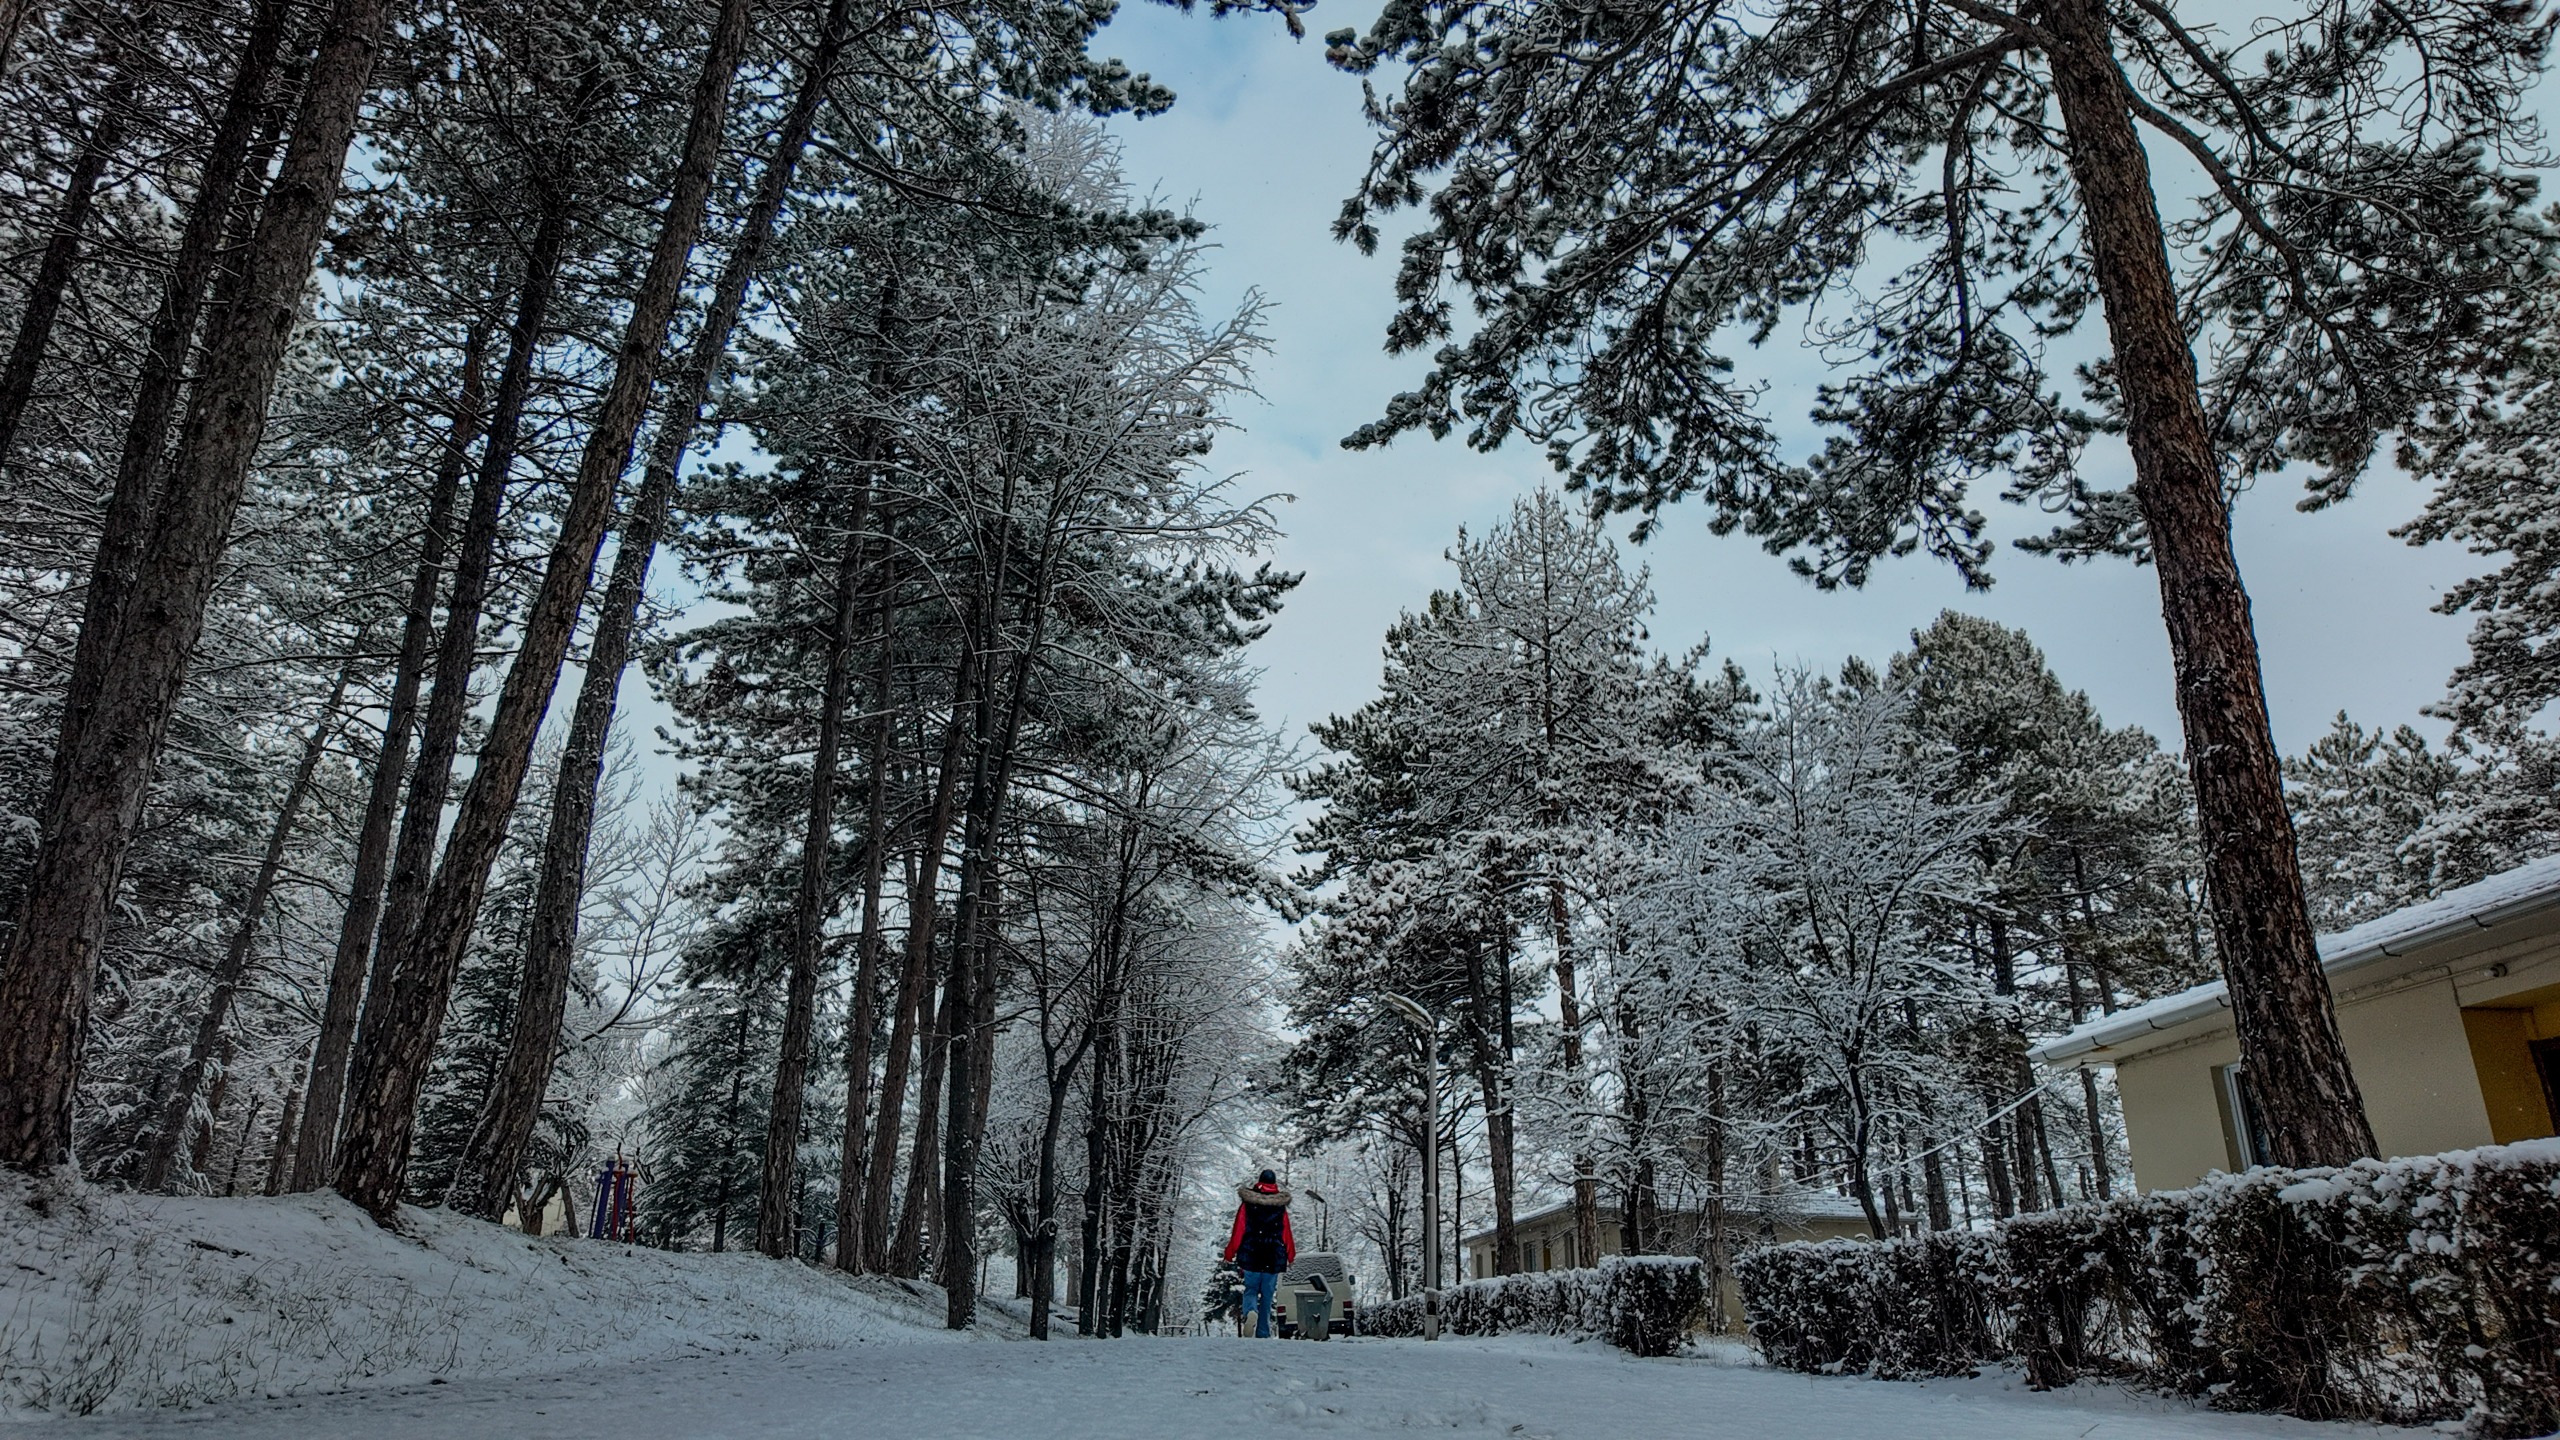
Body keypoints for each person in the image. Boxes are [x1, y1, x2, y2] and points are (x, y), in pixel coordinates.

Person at [1221, 1169, 1295, 1338]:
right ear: (1274, 1184)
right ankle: (1263, 1332)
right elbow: (1286, 1234)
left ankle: (1251, 1311)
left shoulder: (1248, 1204)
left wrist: (1229, 1253)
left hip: (1252, 1254)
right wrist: (1291, 1256)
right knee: (1268, 1295)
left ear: (1259, 1182)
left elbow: (1238, 1231)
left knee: (1251, 1290)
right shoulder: (1280, 1207)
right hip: (1273, 1255)